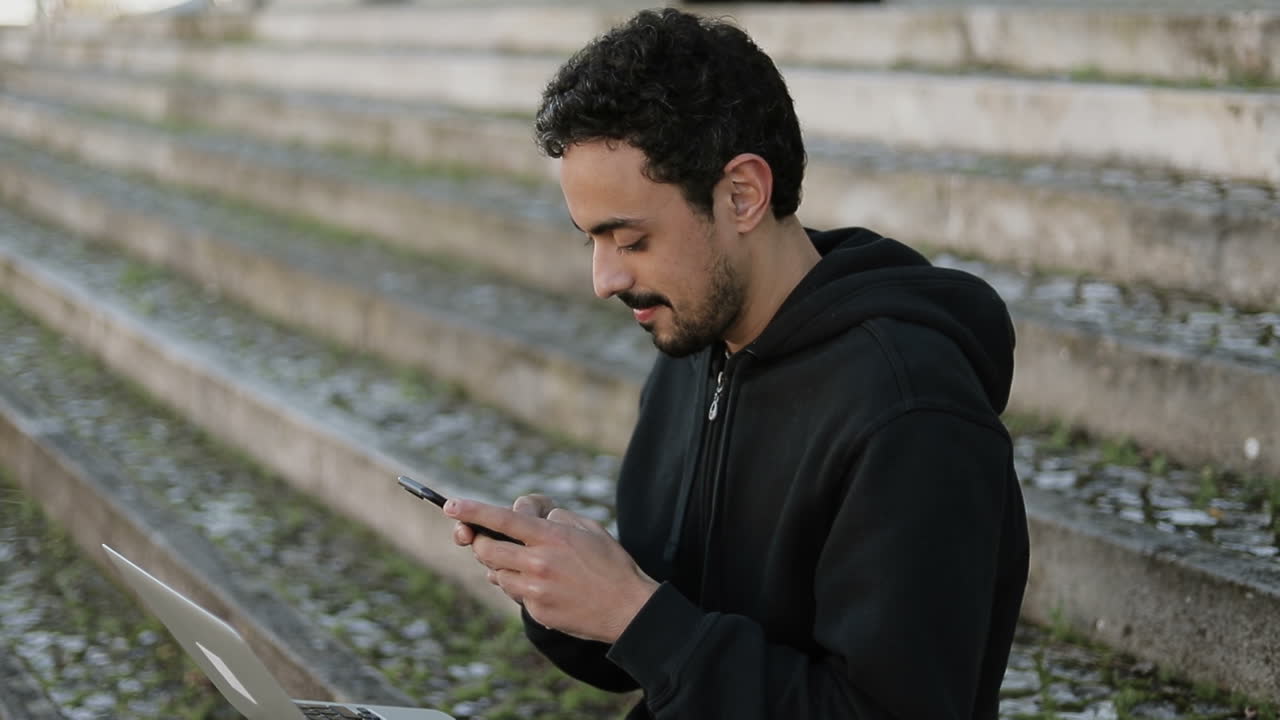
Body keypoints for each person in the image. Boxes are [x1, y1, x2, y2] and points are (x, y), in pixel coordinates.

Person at [445, 8, 1029, 719]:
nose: (604, 279)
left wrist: (637, 616)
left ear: (743, 194)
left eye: (629, 239)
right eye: (589, 241)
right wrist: (559, 581)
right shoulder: (696, 342)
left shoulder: (911, 413)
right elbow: (670, 651)